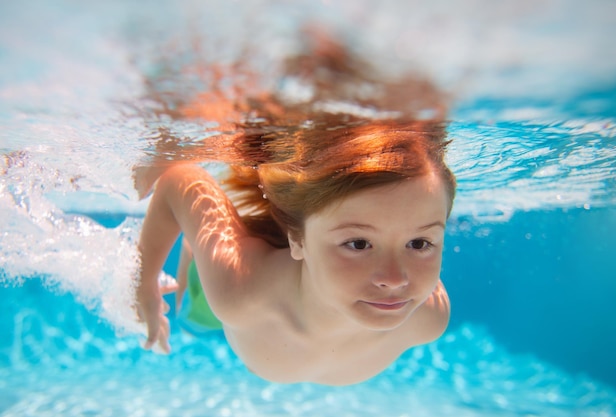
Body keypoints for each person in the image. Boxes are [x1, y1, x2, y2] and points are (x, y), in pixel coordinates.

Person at [135, 30, 456, 385]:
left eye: (419, 244)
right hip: (236, 284)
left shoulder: (428, 318)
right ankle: (198, 246)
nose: (395, 279)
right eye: (359, 244)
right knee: (194, 319)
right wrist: (143, 281)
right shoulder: (240, 291)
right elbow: (178, 179)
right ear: (297, 238)